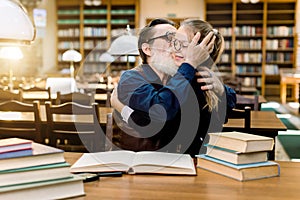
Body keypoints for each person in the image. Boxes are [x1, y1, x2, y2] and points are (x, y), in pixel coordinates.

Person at [111, 18, 236, 157]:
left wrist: (221, 89)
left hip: (186, 159)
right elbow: (159, 116)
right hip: (139, 160)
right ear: (147, 49)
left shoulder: (182, 77)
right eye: (169, 38)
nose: (175, 46)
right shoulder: (132, 78)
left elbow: (223, 106)